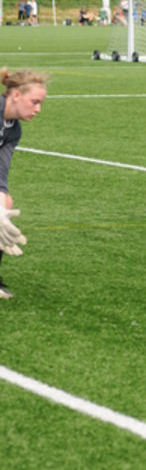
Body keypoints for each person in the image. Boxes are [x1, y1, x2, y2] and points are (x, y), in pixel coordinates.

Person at [0, 68, 48, 299]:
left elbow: (1, 175)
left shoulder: (13, 130)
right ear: (16, 95)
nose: (38, 109)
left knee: (5, 205)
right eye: (34, 102)